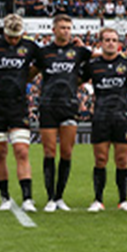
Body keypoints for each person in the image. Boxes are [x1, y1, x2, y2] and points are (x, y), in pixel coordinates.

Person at [33, 14, 92, 212]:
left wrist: (83, 45)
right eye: (62, 27)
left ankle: (59, 197)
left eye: (69, 27)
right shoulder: (43, 53)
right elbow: (31, 73)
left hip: (69, 105)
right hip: (48, 105)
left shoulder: (78, 51)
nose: (66, 31)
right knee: (49, 152)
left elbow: (96, 61)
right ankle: (50, 198)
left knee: (66, 153)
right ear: (54, 30)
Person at [0, 14, 41, 211]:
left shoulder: (30, 46)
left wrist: (25, 77)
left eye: (16, 37)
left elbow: (41, 63)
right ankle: (5, 198)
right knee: (0, 153)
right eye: (9, 36)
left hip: (18, 105)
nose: (13, 41)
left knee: (21, 150)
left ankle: (27, 198)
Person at [82, 28, 127, 212]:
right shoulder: (92, 65)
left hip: (122, 116)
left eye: (114, 40)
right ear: (100, 43)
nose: (110, 43)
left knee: (122, 160)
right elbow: (76, 79)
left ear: (119, 43)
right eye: (107, 39)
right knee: (100, 159)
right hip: (100, 116)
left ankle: (123, 200)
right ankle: (98, 200)